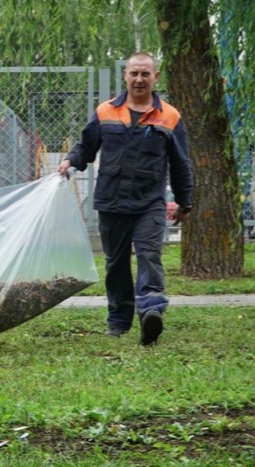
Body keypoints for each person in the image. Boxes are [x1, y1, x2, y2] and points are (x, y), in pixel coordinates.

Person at [58, 52, 192, 346]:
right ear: (125, 76)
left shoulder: (169, 116)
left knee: (149, 254)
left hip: (149, 203)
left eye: (145, 74)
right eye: (134, 73)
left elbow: (181, 164)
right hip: (112, 202)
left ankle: (151, 312)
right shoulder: (106, 111)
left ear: (156, 77)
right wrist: (70, 161)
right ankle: (118, 321)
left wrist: (184, 202)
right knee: (116, 263)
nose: (139, 79)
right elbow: (86, 147)